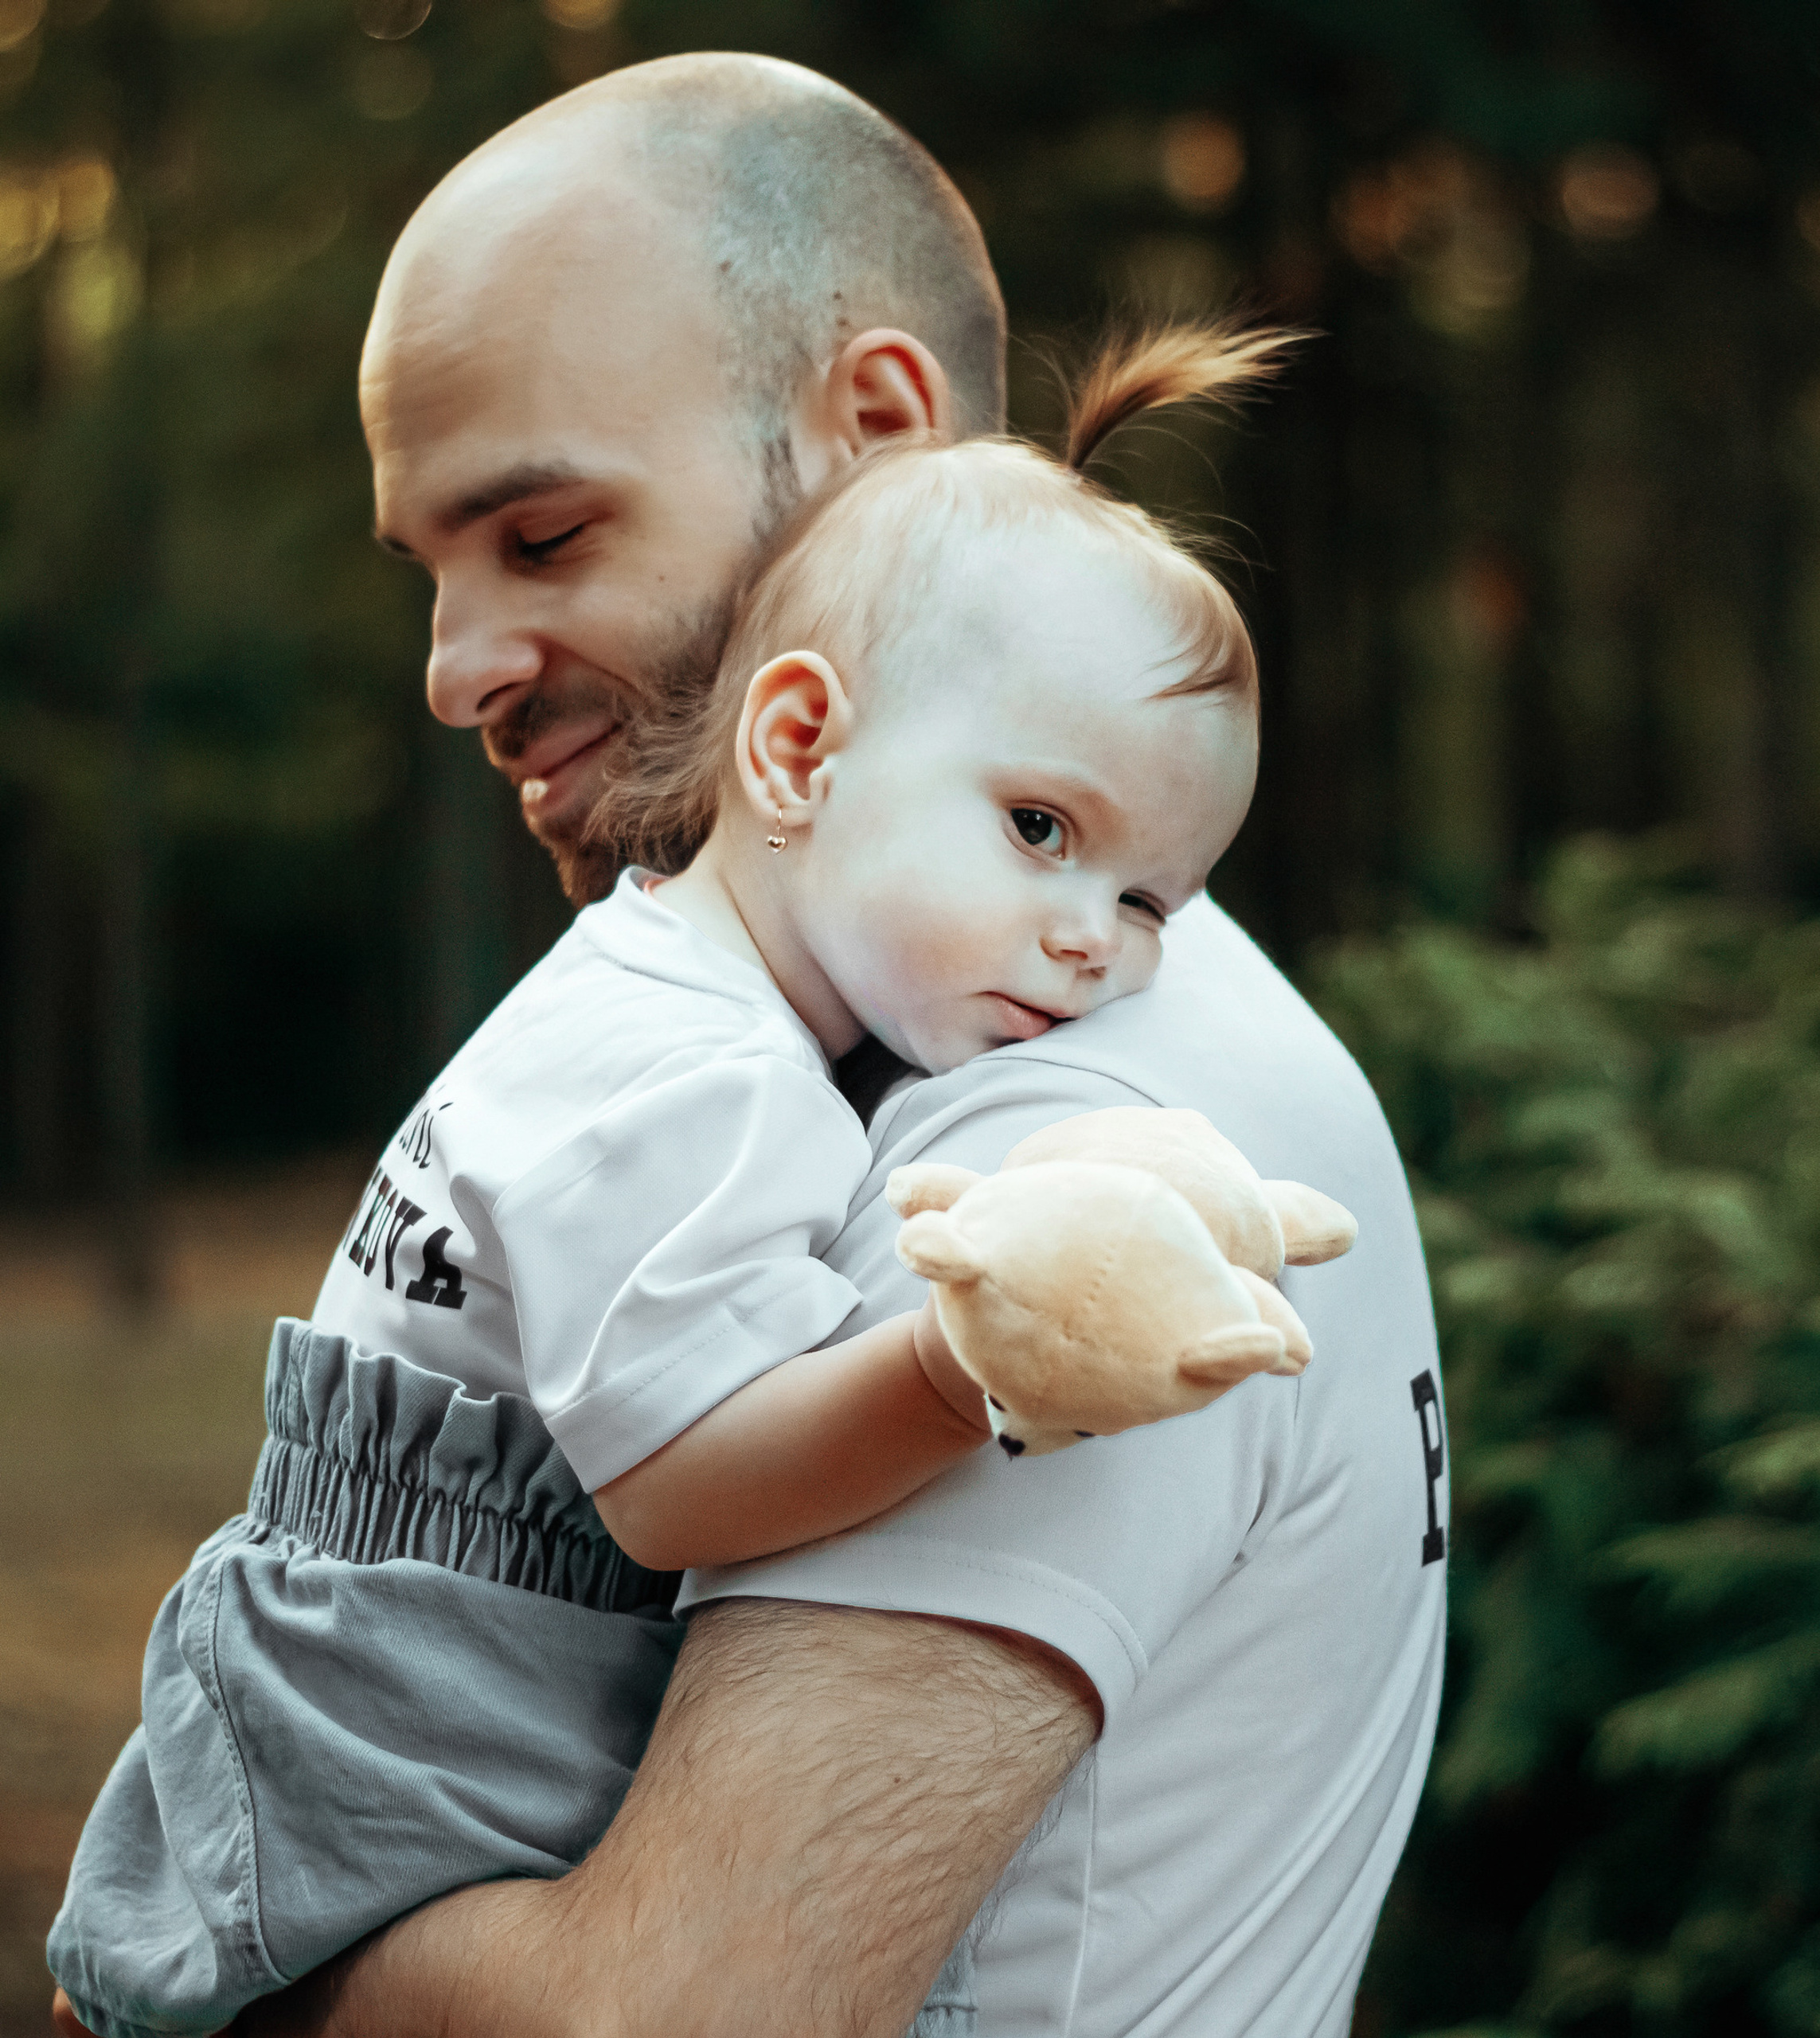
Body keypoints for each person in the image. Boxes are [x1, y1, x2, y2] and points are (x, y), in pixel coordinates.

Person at [55, 50, 1448, 2038]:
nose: (452, 671)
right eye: (431, 577)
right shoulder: (903, 1023)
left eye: (539, 537)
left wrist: (234, 1971)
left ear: (867, 436)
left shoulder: (1052, 1109)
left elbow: (666, 2017)